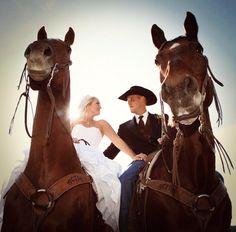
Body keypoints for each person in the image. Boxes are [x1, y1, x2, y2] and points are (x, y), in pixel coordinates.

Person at [71, 95, 146, 232]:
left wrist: (134, 156)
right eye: (97, 103)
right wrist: (69, 140)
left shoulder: (102, 124)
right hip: (73, 154)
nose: (100, 106)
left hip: (94, 158)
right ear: (87, 105)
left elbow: (117, 141)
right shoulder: (72, 122)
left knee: (115, 186)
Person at [103, 86, 164, 232]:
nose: (128, 102)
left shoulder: (162, 119)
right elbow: (111, 152)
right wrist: (90, 156)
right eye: (127, 100)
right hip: (140, 162)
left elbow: (175, 140)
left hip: (163, 160)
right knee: (124, 180)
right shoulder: (124, 128)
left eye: (132, 98)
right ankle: (125, 227)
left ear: (143, 99)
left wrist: (167, 140)